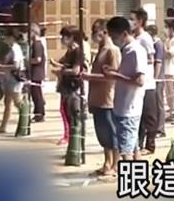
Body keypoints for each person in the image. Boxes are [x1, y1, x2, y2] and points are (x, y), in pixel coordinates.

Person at [104, 17, 148, 162]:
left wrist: (114, 75)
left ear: (124, 34)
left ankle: (130, 175)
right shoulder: (127, 50)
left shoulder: (135, 50)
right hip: (123, 106)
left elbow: (139, 80)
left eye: (114, 36)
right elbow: (129, 74)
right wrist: (115, 71)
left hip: (129, 108)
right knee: (133, 147)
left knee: (126, 151)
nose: (113, 40)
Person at [80, 20, 121, 178]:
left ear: (105, 32)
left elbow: (113, 76)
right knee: (103, 135)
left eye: (96, 32)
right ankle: (107, 162)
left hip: (108, 99)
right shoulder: (100, 50)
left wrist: (90, 76)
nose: (93, 36)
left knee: (112, 134)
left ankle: (116, 165)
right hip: (97, 98)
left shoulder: (112, 51)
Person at [131, 9, 160, 155]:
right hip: (137, 84)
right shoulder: (134, 38)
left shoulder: (145, 38)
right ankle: (139, 144)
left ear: (140, 21)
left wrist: (138, 63)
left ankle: (150, 145)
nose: (130, 22)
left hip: (147, 83)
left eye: (132, 19)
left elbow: (151, 59)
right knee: (139, 116)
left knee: (149, 116)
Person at [51, 27, 85, 146]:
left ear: (72, 37)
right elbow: (66, 65)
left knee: (71, 113)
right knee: (64, 110)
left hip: (73, 86)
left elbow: (75, 70)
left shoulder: (77, 51)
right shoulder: (70, 51)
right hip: (66, 85)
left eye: (65, 36)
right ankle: (69, 136)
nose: (62, 39)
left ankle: (71, 137)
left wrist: (61, 71)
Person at [0, 30, 25, 134]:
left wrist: (1, 66)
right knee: (8, 102)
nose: (5, 39)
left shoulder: (15, 48)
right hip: (9, 77)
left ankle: (25, 119)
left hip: (14, 78)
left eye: (7, 37)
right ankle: (3, 126)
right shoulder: (12, 48)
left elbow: (16, 66)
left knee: (17, 101)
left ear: (11, 38)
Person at [145, 25, 167, 141]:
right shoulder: (152, 44)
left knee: (159, 104)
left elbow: (158, 63)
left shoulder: (158, 44)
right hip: (152, 79)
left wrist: (154, 77)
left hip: (158, 79)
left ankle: (161, 128)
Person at [27, 23, 47, 123]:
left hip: (36, 72)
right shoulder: (35, 43)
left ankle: (39, 113)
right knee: (35, 93)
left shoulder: (37, 44)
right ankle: (38, 112)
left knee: (36, 94)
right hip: (35, 72)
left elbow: (38, 59)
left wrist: (27, 61)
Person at [163, 18, 174, 123]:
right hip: (166, 70)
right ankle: (172, 113)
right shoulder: (167, 40)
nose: (165, 29)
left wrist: (164, 48)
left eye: (167, 27)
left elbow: (169, 53)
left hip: (173, 70)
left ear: (171, 28)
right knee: (168, 94)